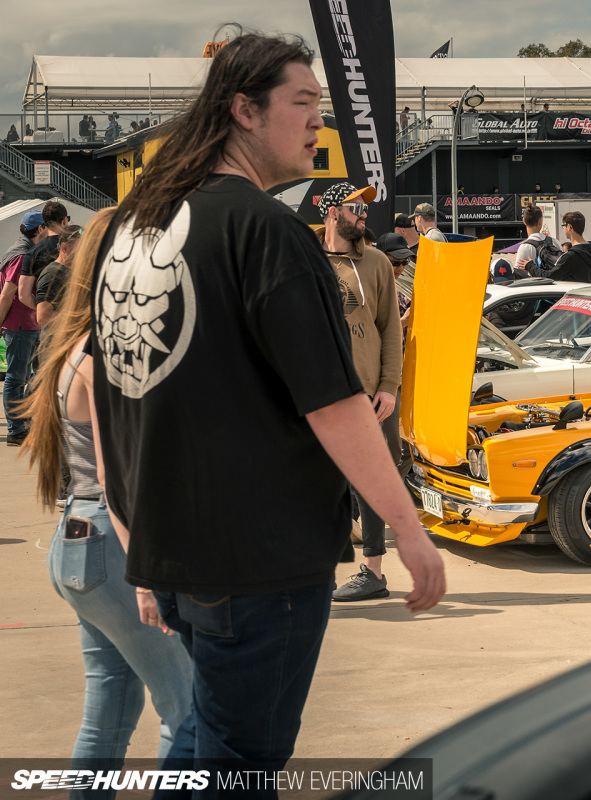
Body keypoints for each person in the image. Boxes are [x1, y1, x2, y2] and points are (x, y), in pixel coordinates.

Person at [87, 30, 444, 771]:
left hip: (179, 555)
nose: (321, 122)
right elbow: (334, 404)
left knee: (206, 737)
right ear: (244, 111)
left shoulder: (135, 225)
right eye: (304, 103)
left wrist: (137, 541)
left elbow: (113, 392)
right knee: (240, 763)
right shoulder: (265, 230)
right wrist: (407, 530)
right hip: (256, 562)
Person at [16, 208, 193, 782]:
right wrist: (146, 574)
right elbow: (124, 473)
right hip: (112, 543)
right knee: (186, 709)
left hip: (79, 541)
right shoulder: (103, 353)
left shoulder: (78, 346)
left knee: (110, 709)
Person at [317, 182, 405, 602]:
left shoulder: (375, 264)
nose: (364, 215)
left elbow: (391, 330)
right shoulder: (305, 260)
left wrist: (389, 388)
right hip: (319, 397)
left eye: (365, 209)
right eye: (356, 208)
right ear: (332, 213)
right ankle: (319, 571)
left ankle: (373, 572)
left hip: (371, 396)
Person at [1, 209, 50, 446]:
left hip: (24, 325)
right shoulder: (22, 255)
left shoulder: (19, 249)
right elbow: (6, 295)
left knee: (26, 376)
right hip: (20, 326)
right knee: (16, 378)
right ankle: (16, 430)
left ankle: (23, 423)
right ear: (40, 229)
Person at [19, 200, 70, 311]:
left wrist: (43, 310)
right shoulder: (74, 247)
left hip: (48, 322)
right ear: (64, 221)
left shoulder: (32, 253)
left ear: (45, 223)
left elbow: (23, 295)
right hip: (74, 317)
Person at [35, 223, 82, 326]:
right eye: (81, 249)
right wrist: (79, 321)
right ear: (64, 248)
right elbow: (43, 316)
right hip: (56, 340)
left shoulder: (73, 271)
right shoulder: (52, 274)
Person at [534, 210, 591, 282]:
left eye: (563, 226)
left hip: (572, 292)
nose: (563, 229)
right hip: (585, 291)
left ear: (569, 227)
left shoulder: (571, 256)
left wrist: (530, 266)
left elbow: (549, 276)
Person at [514, 204, 562, 275]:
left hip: (535, 285)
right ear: (540, 221)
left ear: (524, 221)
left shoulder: (524, 247)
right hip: (555, 283)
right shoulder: (555, 242)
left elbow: (521, 275)